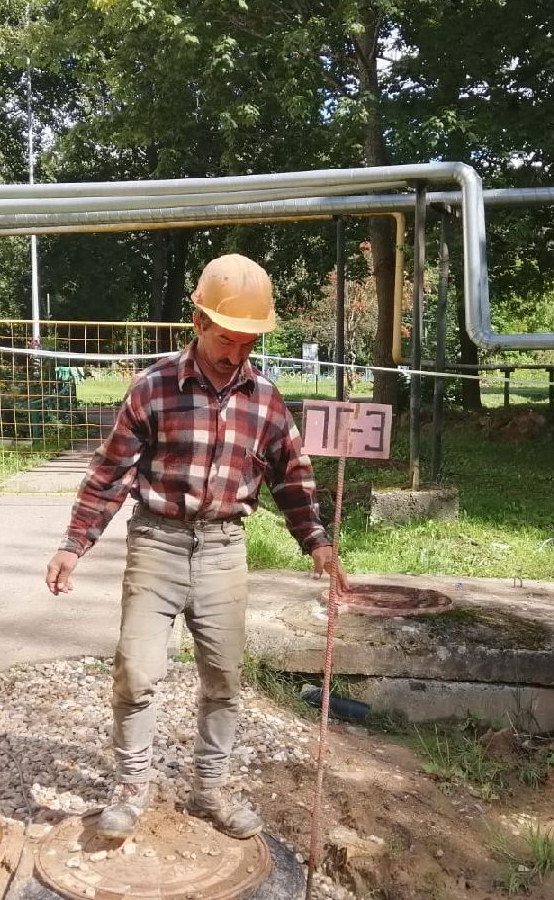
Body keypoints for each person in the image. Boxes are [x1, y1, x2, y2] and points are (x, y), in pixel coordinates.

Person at [45, 253, 346, 841]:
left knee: (224, 679)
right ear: (198, 322)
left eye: (248, 344)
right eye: (227, 340)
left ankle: (210, 788)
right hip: (157, 543)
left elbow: (292, 475)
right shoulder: (153, 389)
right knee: (136, 671)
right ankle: (131, 788)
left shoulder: (266, 400)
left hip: (224, 550)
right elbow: (110, 474)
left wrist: (317, 541)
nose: (237, 355)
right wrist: (73, 545)